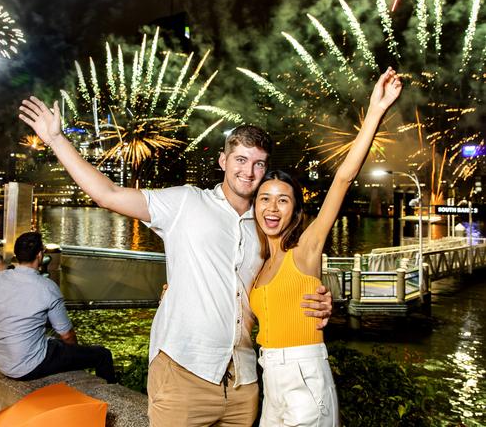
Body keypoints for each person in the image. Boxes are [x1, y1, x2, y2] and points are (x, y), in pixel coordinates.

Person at [19, 96, 333, 426]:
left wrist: (320, 299)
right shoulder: (186, 203)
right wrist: (56, 138)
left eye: (258, 164)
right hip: (183, 374)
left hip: (243, 384)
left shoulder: (267, 227)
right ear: (223, 161)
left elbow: (286, 279)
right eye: (241, 159)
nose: (249, 171)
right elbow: (107, 194)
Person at [250, 68, 402, 426]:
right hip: (269, 378)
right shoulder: (257, 264)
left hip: (305, 375)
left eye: (283, 200)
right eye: (265, 199)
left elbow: (343, 178)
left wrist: (376, 111)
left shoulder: (305, 248)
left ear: (296, 210)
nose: (272, 208)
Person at [0, 232, 116, 383]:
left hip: (3, 362)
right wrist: (75, 353)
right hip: (30, 366)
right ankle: (109, 397)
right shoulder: (48, 287)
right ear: (40, 254)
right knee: (102, 354)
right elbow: (67, 335)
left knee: (53, 343)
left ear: (17, 255)